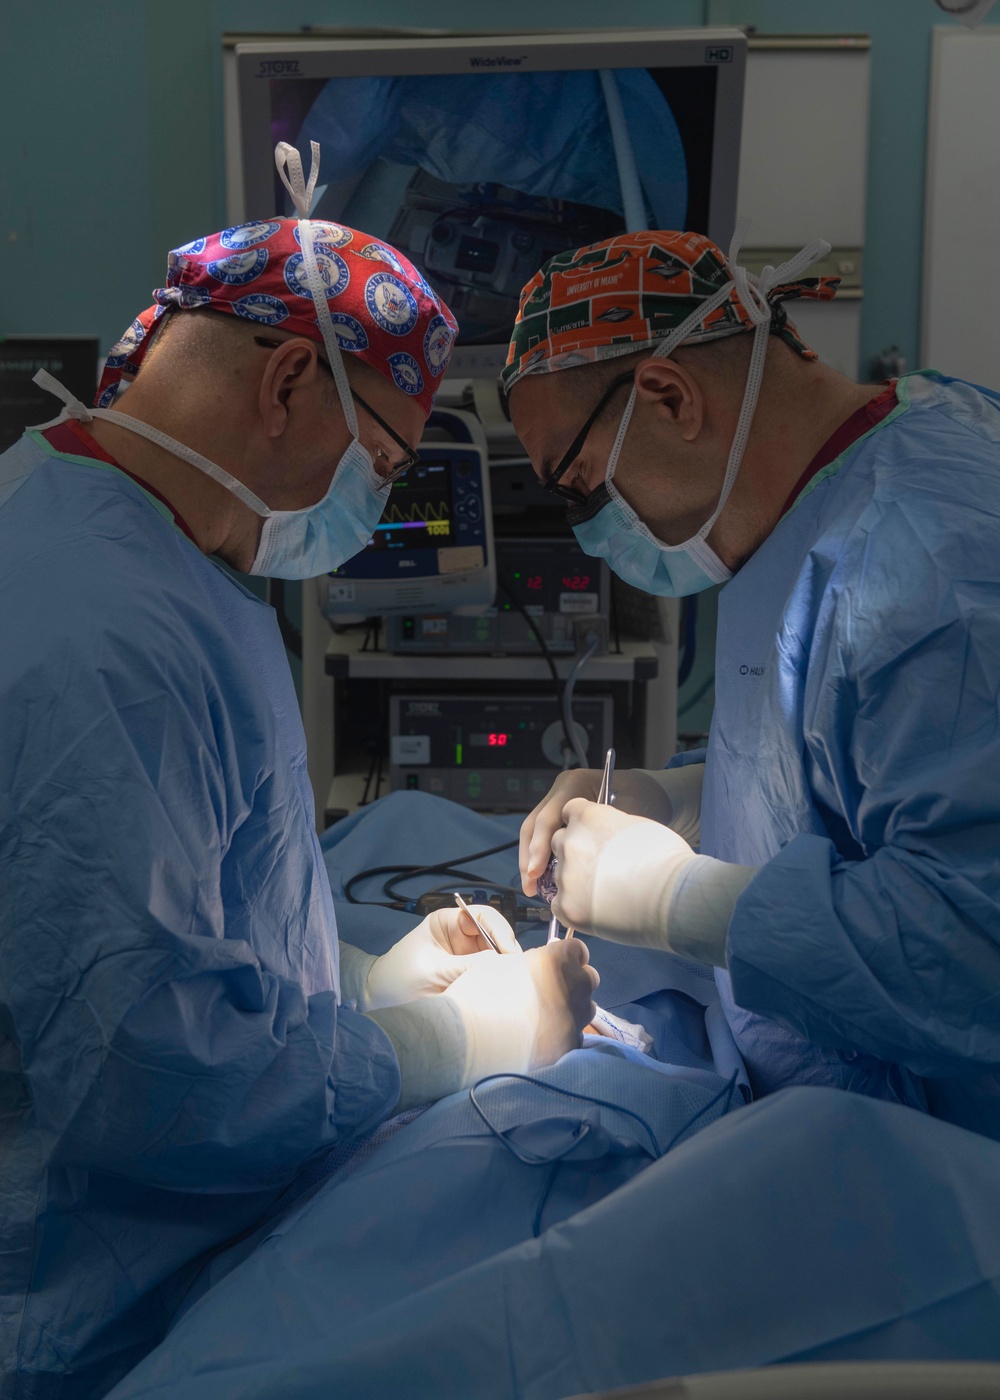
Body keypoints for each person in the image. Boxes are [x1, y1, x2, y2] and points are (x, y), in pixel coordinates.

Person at [0, 144, 597, 1398]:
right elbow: (139, 1081)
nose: (372, 505)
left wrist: (356, 985)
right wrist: (439, 1042)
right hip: (94, 1297)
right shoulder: (105, 639)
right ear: (284, 380)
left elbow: (155, 922)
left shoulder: (129, 538)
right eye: (380, 461)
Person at [508, 228, 1000, 1138]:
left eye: (580, 486)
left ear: (668, 397)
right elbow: (845, 763)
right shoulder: (805, 505)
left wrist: (674, 899)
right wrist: (677, 798)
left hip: (944, 1168)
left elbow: (972, 954)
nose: (587, 529)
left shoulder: (938, 568)